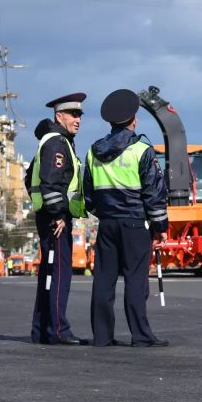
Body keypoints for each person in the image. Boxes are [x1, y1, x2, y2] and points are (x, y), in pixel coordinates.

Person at [84, 89, 169, 347]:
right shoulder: (142, 150)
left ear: (110, 122)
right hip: (135, 224)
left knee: (104, 279)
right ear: (133, 120)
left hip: (107, 224)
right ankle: (141, 336)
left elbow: (88, 196)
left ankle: (101, 336)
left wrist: (106, 214)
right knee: (135, 278)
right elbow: (154, 193)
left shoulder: (93, 152)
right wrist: (160, 227)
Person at [25, 93, 88, 345]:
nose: (78, 120)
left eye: (80, 115)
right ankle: (58, 330)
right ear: (58, 115)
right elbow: (51, 183)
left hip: (50, 218)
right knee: (60, 274)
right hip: (55, 221)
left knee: (48, 274)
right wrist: (58, 214)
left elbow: (30, 179)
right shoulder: (57, 143)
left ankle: (41, 330)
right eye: (73, 114)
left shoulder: (52, 141)